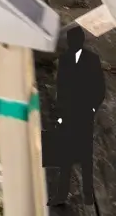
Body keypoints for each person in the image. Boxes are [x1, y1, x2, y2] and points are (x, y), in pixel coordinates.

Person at [46, 23, 104, 210]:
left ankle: (88, 195)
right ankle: (61, 194)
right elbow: (61, 88)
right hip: (68, 114)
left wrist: (92, 109)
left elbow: (99, 88)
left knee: (85, 155)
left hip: (84, 114)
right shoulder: (65, 60)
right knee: (65, 156)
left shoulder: (92, 60)